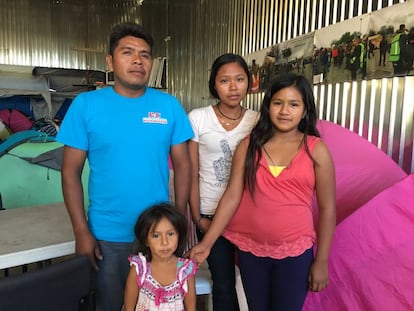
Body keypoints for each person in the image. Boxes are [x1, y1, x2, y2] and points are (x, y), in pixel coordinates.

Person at [56, 22, 193, 311]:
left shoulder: (168, 106)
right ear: (110, 60)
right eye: (128, 52)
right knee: (113, 305)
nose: (137, 61)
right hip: (108, 236)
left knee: (159, 306)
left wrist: (179, 219)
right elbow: (70, 172)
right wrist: (81, 231)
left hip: (158, 236)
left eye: (145, 55)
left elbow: (183, 165)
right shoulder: (86, 105)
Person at [190, 72, 336, 311]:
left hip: (296, 254)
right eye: (278, 103)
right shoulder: (249, 145)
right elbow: (232, 197)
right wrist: (207, 244)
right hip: (252, 252)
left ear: (305, 109)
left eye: (294, 104)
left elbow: (328, 209)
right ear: (268, 106)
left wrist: (321, 260)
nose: (284, 111)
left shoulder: (316, 150)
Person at [188, 53, 259, 311]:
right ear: (214, 85)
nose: (233, 87)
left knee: (253, 283)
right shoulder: (198, 118)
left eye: (239, 79)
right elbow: (191, 174)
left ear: (249, 83)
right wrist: (197, 218)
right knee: (224, 284)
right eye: (225, 80)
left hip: (247, 214)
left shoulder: (258, 121)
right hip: (209, 212)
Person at [123, 203, 197, 311]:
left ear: (179, 235)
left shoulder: (185, 270)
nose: (165, 242)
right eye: (156, 236)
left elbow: (191, 309)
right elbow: (128, 308)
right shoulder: (139, 269)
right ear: (145, 240)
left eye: (170, 234)